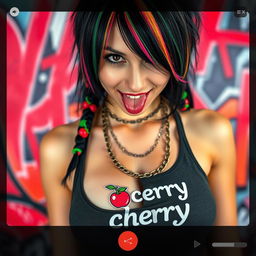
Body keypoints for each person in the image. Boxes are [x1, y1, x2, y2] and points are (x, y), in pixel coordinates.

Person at [39, 8, 237, 226]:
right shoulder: (59, 148)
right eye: (115, 58)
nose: (135, 84)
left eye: (151, 59)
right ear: (91, 58)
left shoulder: (212, 131)